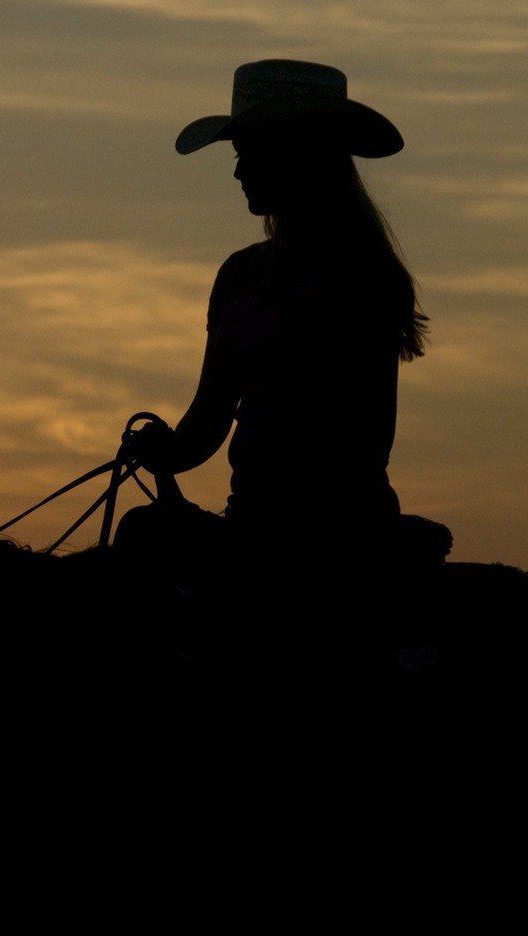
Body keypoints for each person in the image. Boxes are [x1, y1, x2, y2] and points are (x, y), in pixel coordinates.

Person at [124, 59, 443, 593]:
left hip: (336, 533)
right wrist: (165, 451)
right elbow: (208, 419)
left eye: (249, 154)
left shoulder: (360, 278)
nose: (238, 172)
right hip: (254, 520)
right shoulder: (240, 275)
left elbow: (354, 438)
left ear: (298, 156)